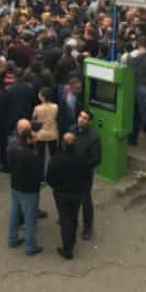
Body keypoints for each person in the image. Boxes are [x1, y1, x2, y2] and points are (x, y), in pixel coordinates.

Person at [46, 133, 92, 259]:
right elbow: (87, 176)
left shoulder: (56, 159)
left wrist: (56, 187)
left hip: (61, 194)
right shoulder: (82, 158)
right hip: (77, 193)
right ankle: (72, 239)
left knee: (65, 219)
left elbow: (49, 178)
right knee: (74, 216)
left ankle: (68, 249)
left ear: (63, 144)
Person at [7, 119, 44, 256]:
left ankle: (12, 239)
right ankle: (30, 247)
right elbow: (37, 173)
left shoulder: (12, 146)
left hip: (15, 185)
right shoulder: (30, 155)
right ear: (28, 139)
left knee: (14, 213)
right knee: (29, 219)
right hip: (29, 190)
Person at [74, 110, 101, 240]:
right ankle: (68, 219)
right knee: (71, 198)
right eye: (80, 116)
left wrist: (82, 165)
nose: (81, 119)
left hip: (84, 174)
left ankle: (87, 228)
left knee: (85, 201)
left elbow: (96, 159)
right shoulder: (72, 130)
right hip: (71, 172)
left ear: (89, 122)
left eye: (85, 118)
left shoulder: (93, 137)